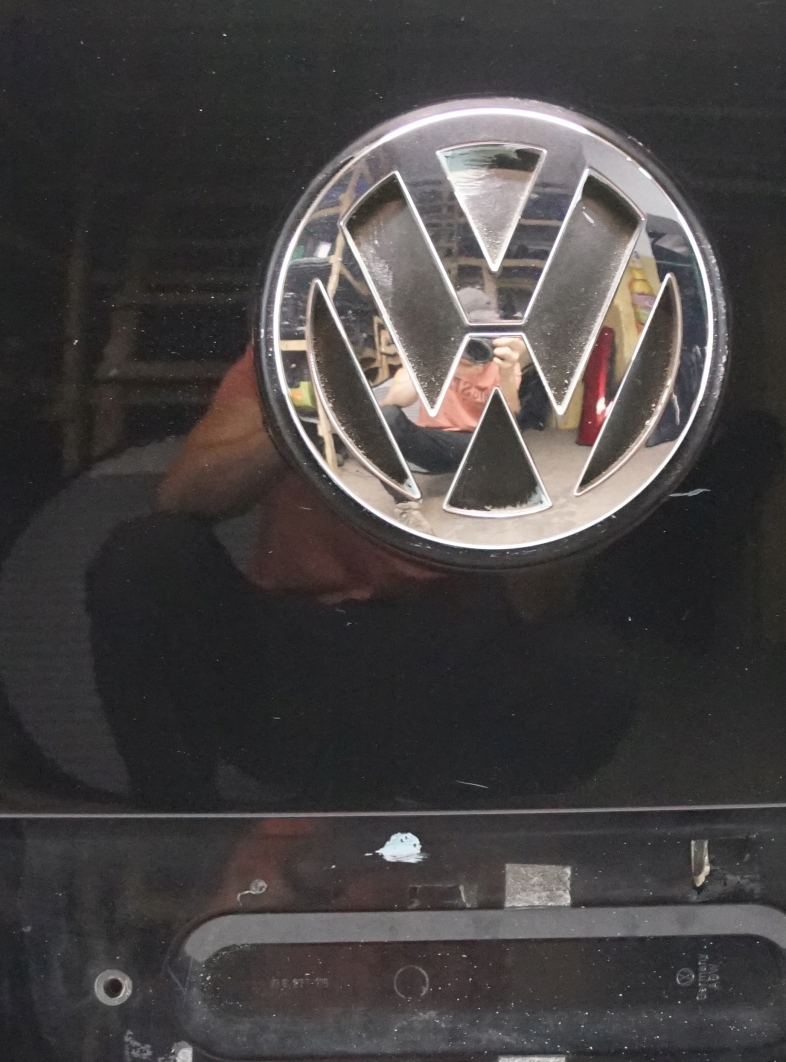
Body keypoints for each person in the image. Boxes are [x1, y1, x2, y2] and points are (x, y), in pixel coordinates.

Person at [83, 344, 633, 810]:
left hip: (449, 657)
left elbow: (541, 604)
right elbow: (183, 496)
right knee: (146, 558)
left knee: (585, 663)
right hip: (294, 661)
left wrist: (518, 441)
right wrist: (335, 411)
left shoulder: (534, 364)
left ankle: (491, 860)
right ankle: (173, 840)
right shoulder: (299, 338)